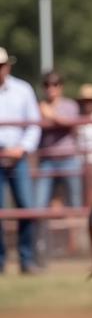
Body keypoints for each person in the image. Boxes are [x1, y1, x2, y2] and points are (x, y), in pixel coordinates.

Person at [0, 46, 41, 274]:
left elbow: (34, 124)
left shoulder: (22, 90)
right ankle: (0, 262)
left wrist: (23, 148)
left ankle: (27, 259)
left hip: (18, 157)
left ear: (8, 66)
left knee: (26, 208)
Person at [36, 70, 84, 212]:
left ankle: (78, 234)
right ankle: (39, 235)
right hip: (47, 160)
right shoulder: (39, 107)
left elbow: (71, 123)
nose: (51, 88)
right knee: (39, 203)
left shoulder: (70, 105)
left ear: (61, 86)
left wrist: (50, 115)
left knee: (75, 202)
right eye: (47, 84)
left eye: (55, 84)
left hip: (69, 159)